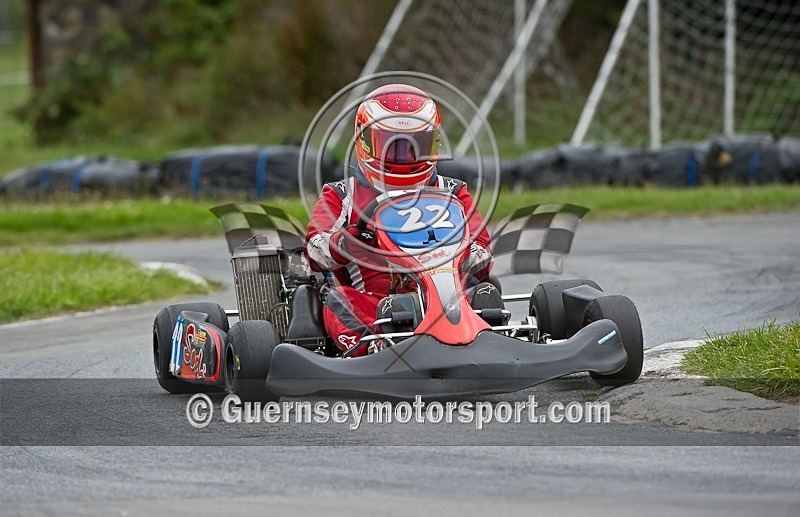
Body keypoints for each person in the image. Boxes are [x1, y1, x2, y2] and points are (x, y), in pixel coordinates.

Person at [305, 83, 498, 356]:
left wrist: (459, 251)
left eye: (415, 146)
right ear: (364, 142)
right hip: (375, 303)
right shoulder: (341, 194)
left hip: (447, 297)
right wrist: (346, 243)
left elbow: (483, 250)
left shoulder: (452, 191)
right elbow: (315, 250)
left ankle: (486, 332)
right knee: (340, 300)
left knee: (480, 288)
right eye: (390, 145)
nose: (402, 158)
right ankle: (376, 348)